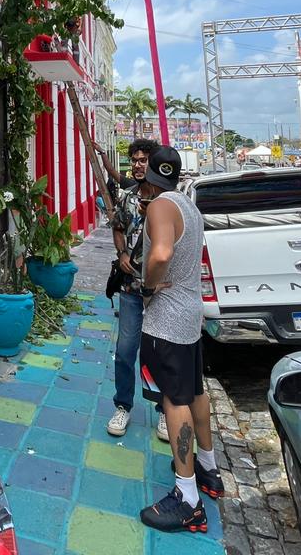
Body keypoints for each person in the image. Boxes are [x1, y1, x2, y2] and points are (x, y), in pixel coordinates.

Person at [136, 145, 224, 533]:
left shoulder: (159, 207)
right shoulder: (190, 206)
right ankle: (208, 469)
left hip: (166, 320)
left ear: (151, 176)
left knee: (175, 400)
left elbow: (160, 254)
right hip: (190, 315)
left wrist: (148, 287)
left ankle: (187, 498)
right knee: (195, 391)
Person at [96, 138, 167, 442]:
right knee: (125, 351)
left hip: (162, 292)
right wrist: (122, 253)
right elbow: (118, 227)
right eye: (135, 160)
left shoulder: (168, 202)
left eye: (143, 160)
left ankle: (166, 410)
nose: (138, 165)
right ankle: (123, 405)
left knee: (161, 352)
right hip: (130, 288)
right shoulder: (126, 197)